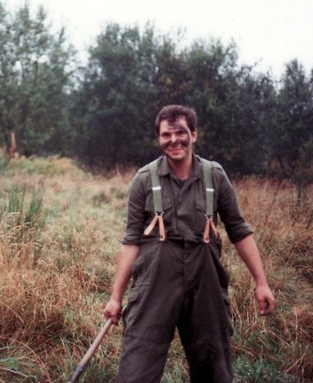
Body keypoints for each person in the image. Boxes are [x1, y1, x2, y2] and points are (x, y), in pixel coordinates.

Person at [103, 105, 276, 382]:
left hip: (205, 284)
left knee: (213, 369)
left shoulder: (215, 176)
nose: (174, 140)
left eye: (181, 133)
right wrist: (115, 298)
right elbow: (131, 241)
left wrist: (261, 282)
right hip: (154, 284)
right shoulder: (144, 180)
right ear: (159, 139)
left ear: (193, 134)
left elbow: (239, 230)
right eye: (166, 135)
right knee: (136, 370)